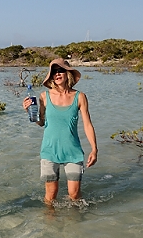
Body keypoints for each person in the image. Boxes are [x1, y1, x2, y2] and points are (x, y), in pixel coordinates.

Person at [23, 58, 98, 204]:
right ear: (51, 75)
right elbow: (42, 123)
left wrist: (94, 149)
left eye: (61, 70)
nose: (57, 74)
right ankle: (50, 224)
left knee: (75, 195)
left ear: (68, 73)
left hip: (73, 151)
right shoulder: (44, 96)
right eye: (54, 71)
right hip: (50, 151)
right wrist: (29, 112)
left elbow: (88, 124)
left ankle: (75, 224)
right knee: (51, 196)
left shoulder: (80, 97)